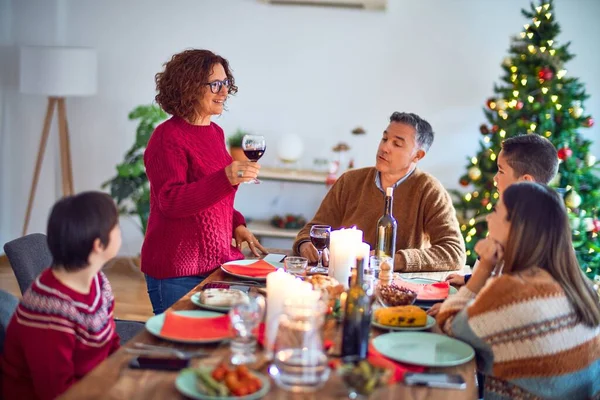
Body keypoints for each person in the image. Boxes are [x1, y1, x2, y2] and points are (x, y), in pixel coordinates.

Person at [437, 182, 600, 399]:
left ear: (514, 226)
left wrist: (484, 267)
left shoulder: (516, 290)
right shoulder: (578, 284)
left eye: (496, 211)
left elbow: (450, 325)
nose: (488, 218)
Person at [141, 49, 267, 315]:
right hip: (177, 271)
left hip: (215, 265)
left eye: (226, 83)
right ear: (188, 87)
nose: (224, 92)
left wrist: (236, 223)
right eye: (215, 84)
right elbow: (171, 201)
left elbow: (211, 198)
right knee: (180, 352)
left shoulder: (215, 132)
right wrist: (226, 178)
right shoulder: (167, 137)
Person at [293, 112, 465, 272]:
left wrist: (393, 260)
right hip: (344, 280)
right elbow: (312, 230)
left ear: (417, 156)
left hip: (401, 290)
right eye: (384, 139)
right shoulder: (350, 181)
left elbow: (454, 252)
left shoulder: (430, 191)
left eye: (397, 144)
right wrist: (305, 244)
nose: (385, 147)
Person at [2, 192, 122, 400]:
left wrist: (122, 372)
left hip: (92, 383)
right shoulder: (51, 312)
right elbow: (56, 393)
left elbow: (110, 342)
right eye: (116, 227)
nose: (120, 232)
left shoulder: (98, 281)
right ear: (98, 245)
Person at [428, 134, 558, 316]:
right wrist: (469, 280)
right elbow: (495, 276)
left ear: (525, 181)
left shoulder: (520, 233)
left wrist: (453, 307)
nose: (495, 178)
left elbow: (499, 300)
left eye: (501, 171)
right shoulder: (516, 218)